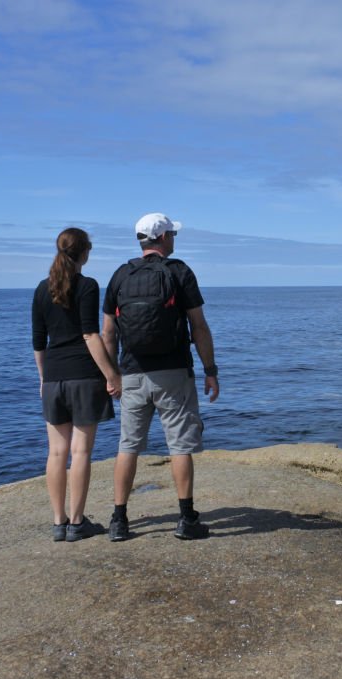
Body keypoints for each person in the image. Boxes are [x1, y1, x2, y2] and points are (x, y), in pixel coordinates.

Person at [101, 212, 219, 542]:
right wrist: (210, 370)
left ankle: (119, 521)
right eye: (172, 235)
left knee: (128, 447)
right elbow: (198, 326)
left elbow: (108, 333)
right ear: (164, 238)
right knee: (180, 446)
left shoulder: (120, 275)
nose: (174, 240)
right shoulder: (179, 272)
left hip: (132, 374)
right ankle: (186, 519)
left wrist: (112, 375)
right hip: (173, 373)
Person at [32, 227, 122, 542]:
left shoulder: (42, 289)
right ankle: (77, 522)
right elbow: (89, 335)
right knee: (80, 451)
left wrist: (44, 378)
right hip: (84, 376)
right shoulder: (88, 286)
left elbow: (38, 343)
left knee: (56, 452)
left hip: (54, 377)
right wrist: (111, 374)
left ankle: (58, 523)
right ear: (84, 253)